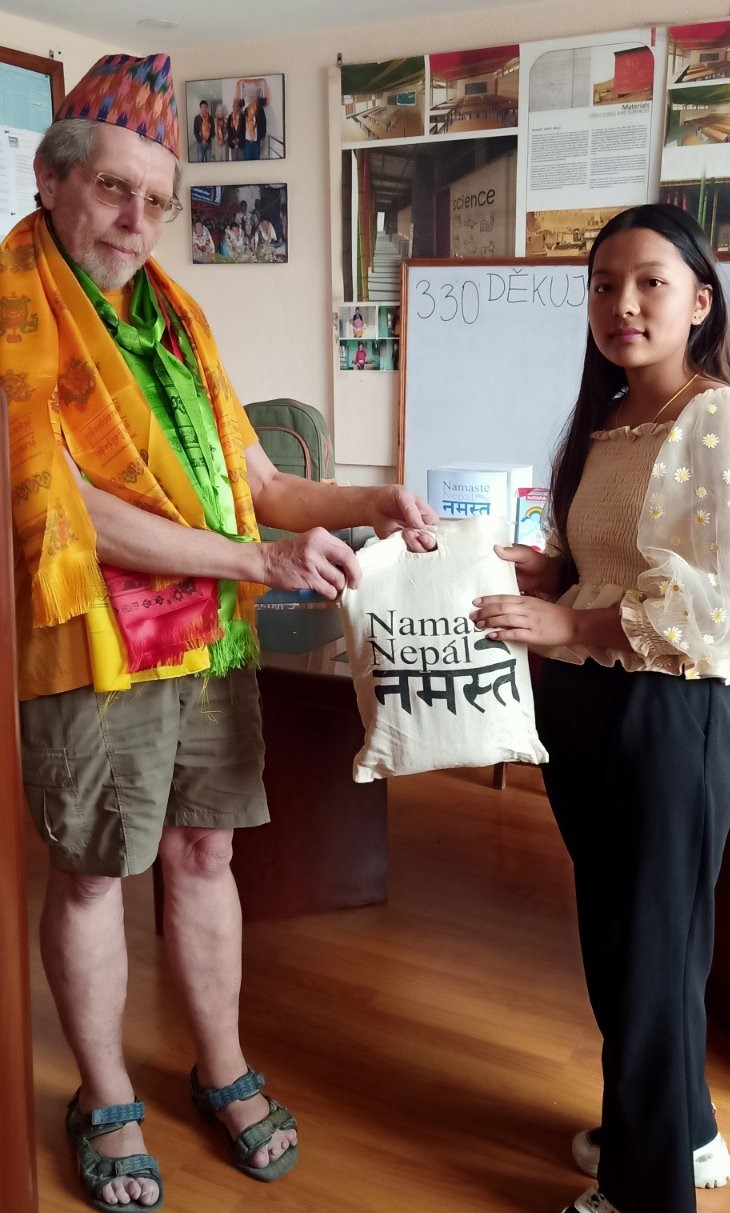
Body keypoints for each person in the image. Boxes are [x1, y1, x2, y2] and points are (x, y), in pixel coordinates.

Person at [5, 51, 437, 1213]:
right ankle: (104, 1093)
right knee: (95, 873)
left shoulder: (177, 317)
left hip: (207, 640)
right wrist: (258, 561)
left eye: (156, 199)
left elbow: (259, 481)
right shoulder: (13, 309)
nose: (136, 220)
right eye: (113, 189)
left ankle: (220, 1065)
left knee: (206, 853)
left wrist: (370, 498)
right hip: (92, 645)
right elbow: (65, 506)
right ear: (52, 180)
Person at [471, 202, 730, 1213]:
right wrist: (555, 575)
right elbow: (621, 559)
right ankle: (681, 1131)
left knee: (654, 948)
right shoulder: (609, 416)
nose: (624, 303)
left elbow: (709, 604)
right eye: (604, 284)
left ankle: (644, 1189)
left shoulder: (713, 418)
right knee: (621, 935)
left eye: (651, 282)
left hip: (666, 711)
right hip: (585, 700)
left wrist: (571, 622)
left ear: (699, 301)